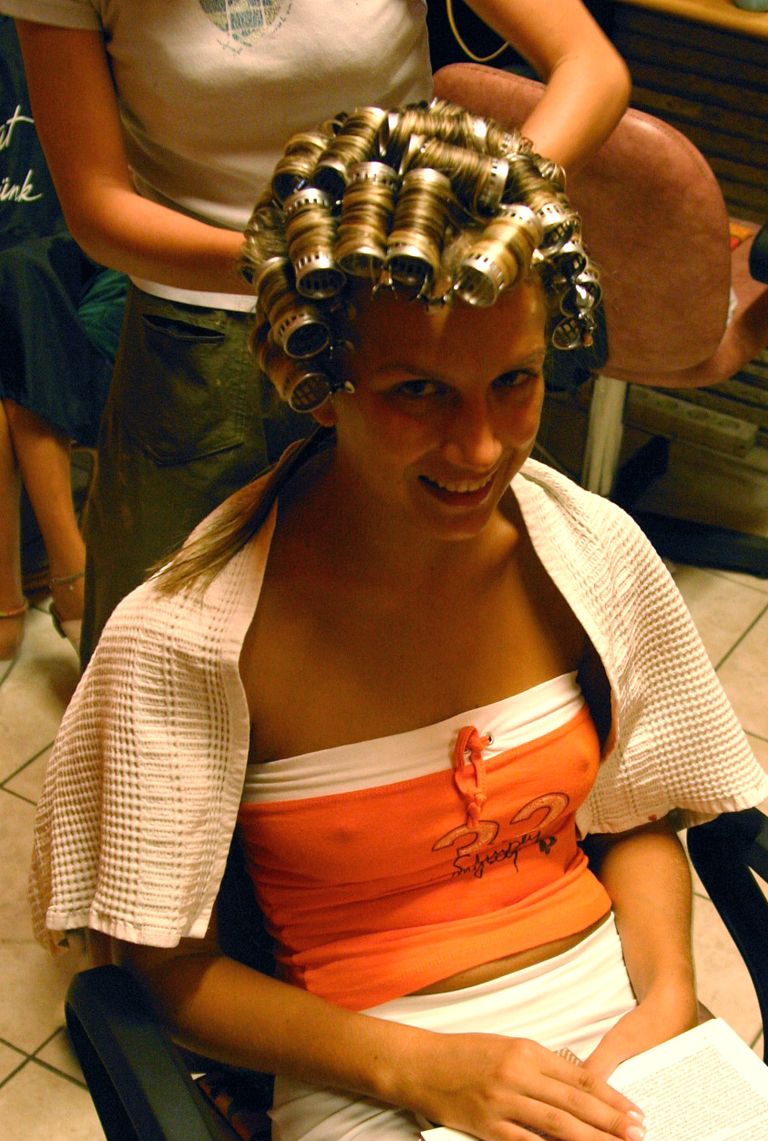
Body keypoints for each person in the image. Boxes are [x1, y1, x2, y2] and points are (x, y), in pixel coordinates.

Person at [31, 103, 768, 1141]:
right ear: (318, 379)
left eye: (515, 382)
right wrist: (429, 1069)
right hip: (381, 1086)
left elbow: (638, 811)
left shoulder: (587, 556)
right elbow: (164, 973)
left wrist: (664, 998)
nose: (482, 446)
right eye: (418, 394)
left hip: (619, 1036)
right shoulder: (194, 636)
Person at [4, 0, 630, 665]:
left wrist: (473, 213)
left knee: (412, 639)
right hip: (194, 341)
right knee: (158, 646)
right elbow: (97, 206)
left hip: (408, 323)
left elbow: (590, 67)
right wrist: (306, 266)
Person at [0, 14, 125, 661]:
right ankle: (70, 572)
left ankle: (17, 588)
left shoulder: (53, 25)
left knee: (19, 277)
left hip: (77, 266)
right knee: (15, 284)